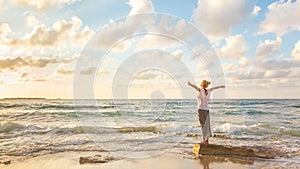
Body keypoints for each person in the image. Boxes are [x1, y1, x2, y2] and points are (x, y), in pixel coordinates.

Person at [188, 80, 225, 145]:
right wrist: (221, 86)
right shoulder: (209, 90)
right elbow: (215, 87)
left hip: (201, 110)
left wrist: (190, 84)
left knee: (203, 126)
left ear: (202, 84)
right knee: (207, 126)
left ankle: (204, 141)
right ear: (206, 85)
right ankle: (207, 141)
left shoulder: (200, 90)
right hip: (207, 110)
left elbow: (195, 87)